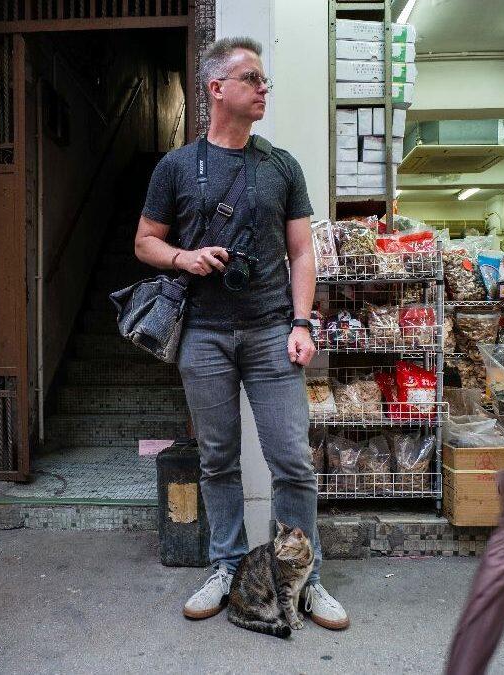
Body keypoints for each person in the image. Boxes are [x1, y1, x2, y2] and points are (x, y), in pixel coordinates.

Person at [135, 37, 348, 630]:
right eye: (251, 78)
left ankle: (305, 577)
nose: (263, 89)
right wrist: (184, 258)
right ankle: (226, 566)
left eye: (264, 80)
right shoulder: (176, 167)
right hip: (203, 335)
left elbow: (302, 251)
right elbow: (144, 241)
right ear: (216, 89)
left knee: (292, 461)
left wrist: (301, 321)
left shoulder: (280, 165)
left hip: (272, 332)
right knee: (217, 458)